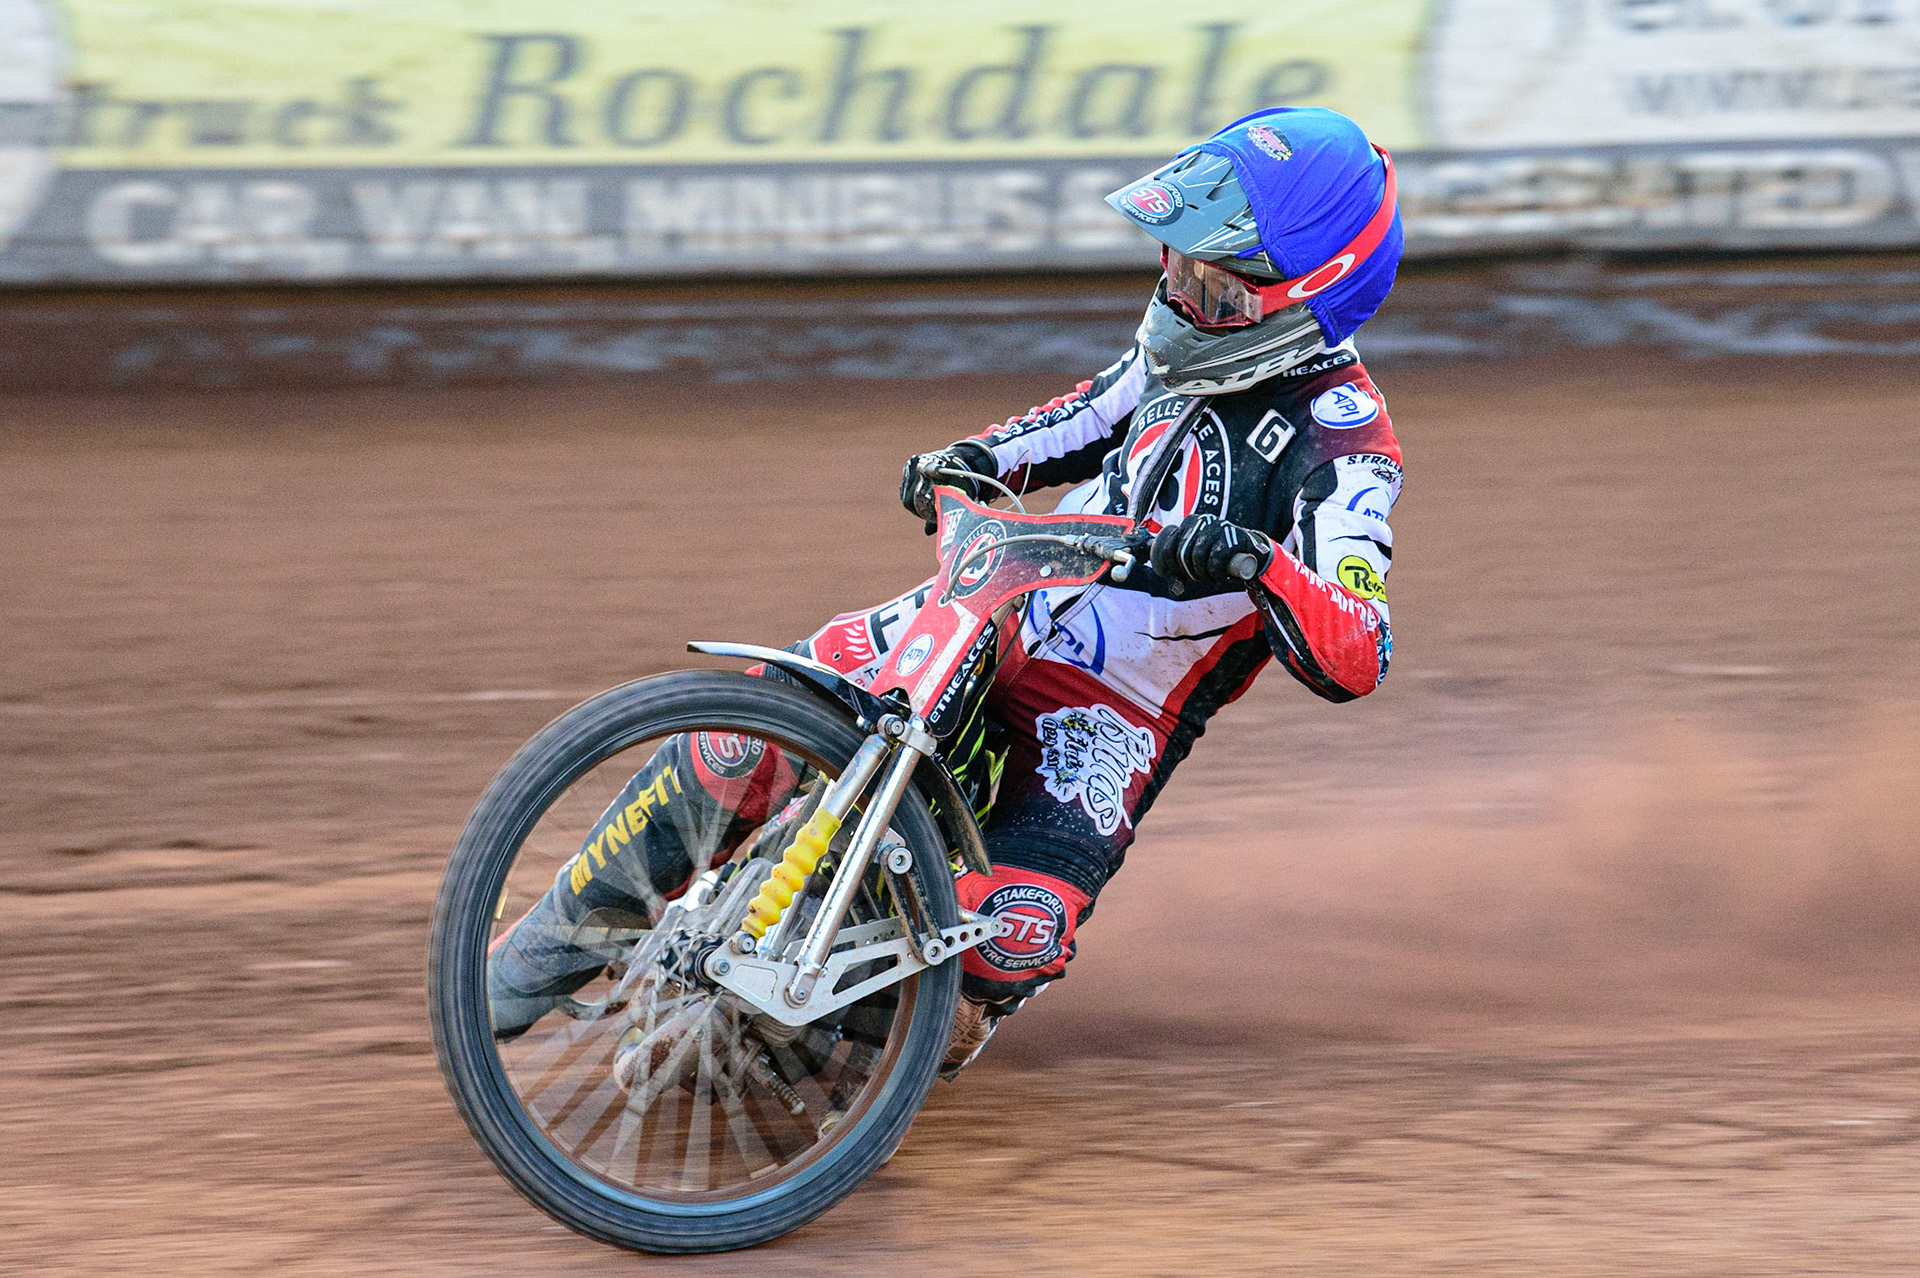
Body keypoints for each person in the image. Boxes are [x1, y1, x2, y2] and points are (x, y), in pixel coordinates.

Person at [489, 105, 1405, 1078]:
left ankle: (847, 1048)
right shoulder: (1180, 346)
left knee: (1008, 935)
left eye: (1216, 286)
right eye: (1177, 263)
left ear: (1307, 300)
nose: (1182, 294)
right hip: (1006, 592)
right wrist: (971, 458)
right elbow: (1086, 415)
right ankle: (552, 939)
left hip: (1110, 712)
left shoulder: (1347, 449)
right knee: (757, 724)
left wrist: (1255, 565)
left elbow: (1359, 644)